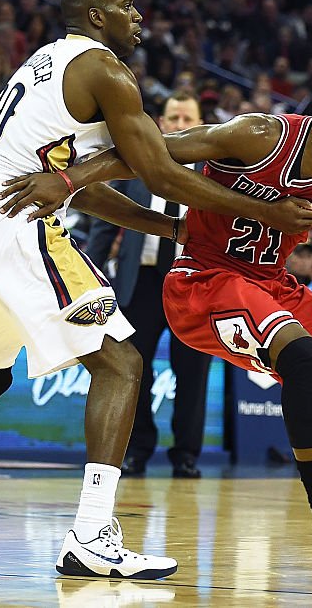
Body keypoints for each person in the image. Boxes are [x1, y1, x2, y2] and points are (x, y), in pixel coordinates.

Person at [0, 0, 312, 581]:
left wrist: (174, 232)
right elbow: (158, 174)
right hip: (10, 214)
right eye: (127, 6)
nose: (138, 16)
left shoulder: (46, 63)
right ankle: (92, 536)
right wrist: (269, 212)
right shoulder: (106, 68)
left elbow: (85, 184)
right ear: (96, 17)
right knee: (121, 363)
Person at [4, 53, 312, 575]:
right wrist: (68, 182)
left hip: (271, 285)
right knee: (301, 354)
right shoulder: (261, 136)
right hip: (203, 280)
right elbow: (147, 152)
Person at [86, 93, 213, 479]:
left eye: (186, 116)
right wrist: (90, 274)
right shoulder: (135, 163)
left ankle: (186, 453)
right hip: (139, 282)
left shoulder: (217, 170)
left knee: (192, 371)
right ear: (159, 122)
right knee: (131, 366)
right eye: (172, 116)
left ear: (203, 123)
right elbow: (105, 225)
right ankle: (137, 448)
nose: (178, 123)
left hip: (193, 281)